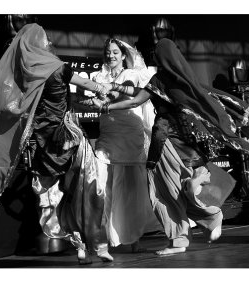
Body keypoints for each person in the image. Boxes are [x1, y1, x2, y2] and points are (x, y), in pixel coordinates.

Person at [0, 23, 114, 264]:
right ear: (41, 42)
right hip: (68, 139)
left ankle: (79, 245)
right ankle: (98, 244)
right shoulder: (56, 67)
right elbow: (86, 85)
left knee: (55, 197)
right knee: (86, 189)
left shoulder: (23, 73)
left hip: (42, 142)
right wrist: (104, 89)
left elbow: (39, 101)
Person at [92, 38, 249, 255]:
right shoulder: (186, 81)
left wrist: (105, 107)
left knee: (162, 192)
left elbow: (135, 101)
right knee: (184, 189)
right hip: (187, 145)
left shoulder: (159, 80)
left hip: (165, 142)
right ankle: (202, 224)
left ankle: (199, 225)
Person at [86, 38, 160, 252]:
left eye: (115, 52)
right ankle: (104, 237)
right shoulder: (96, 77)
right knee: (102, 183)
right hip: (108, 133)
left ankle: (134, 237)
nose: (111, 56)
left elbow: (136, 97)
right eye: (108, 52)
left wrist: (107, 103)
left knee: (130, 188)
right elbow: (93, 100)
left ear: (123, 55)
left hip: (130, 133)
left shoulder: (133, 75)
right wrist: (91, 102)